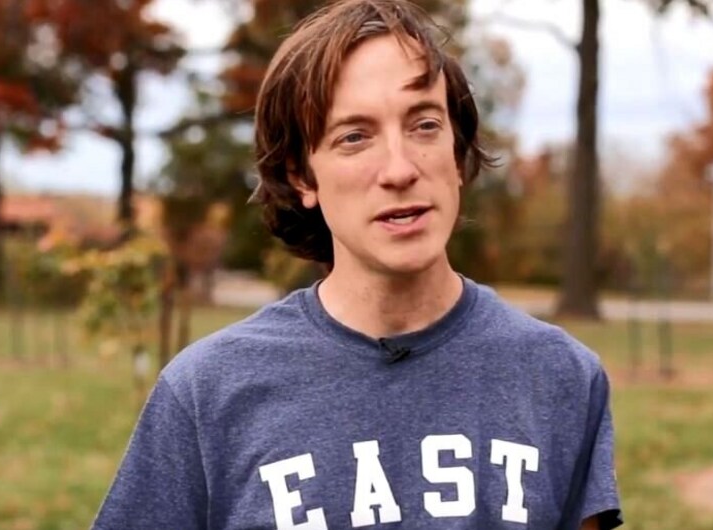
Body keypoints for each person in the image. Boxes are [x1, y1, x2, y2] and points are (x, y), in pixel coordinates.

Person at [90, 0, 623, 528]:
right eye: (354, 137)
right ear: (302, 177)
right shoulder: (208, 394)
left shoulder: (560, 378)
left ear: (457, 152)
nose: (399, 169)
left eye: (424, 124)